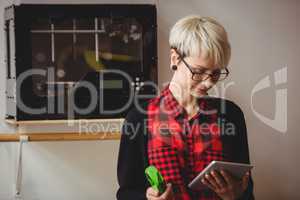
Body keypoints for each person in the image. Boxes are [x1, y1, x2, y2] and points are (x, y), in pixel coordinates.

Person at [116, 15, 254, 200]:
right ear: (175, 58)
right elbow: (126, 193)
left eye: (215, 73)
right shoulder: (139, 119)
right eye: (198, 72)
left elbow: (246, 189)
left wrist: (235, 196)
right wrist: (147, 197)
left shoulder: (230, 115)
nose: (207, 82)